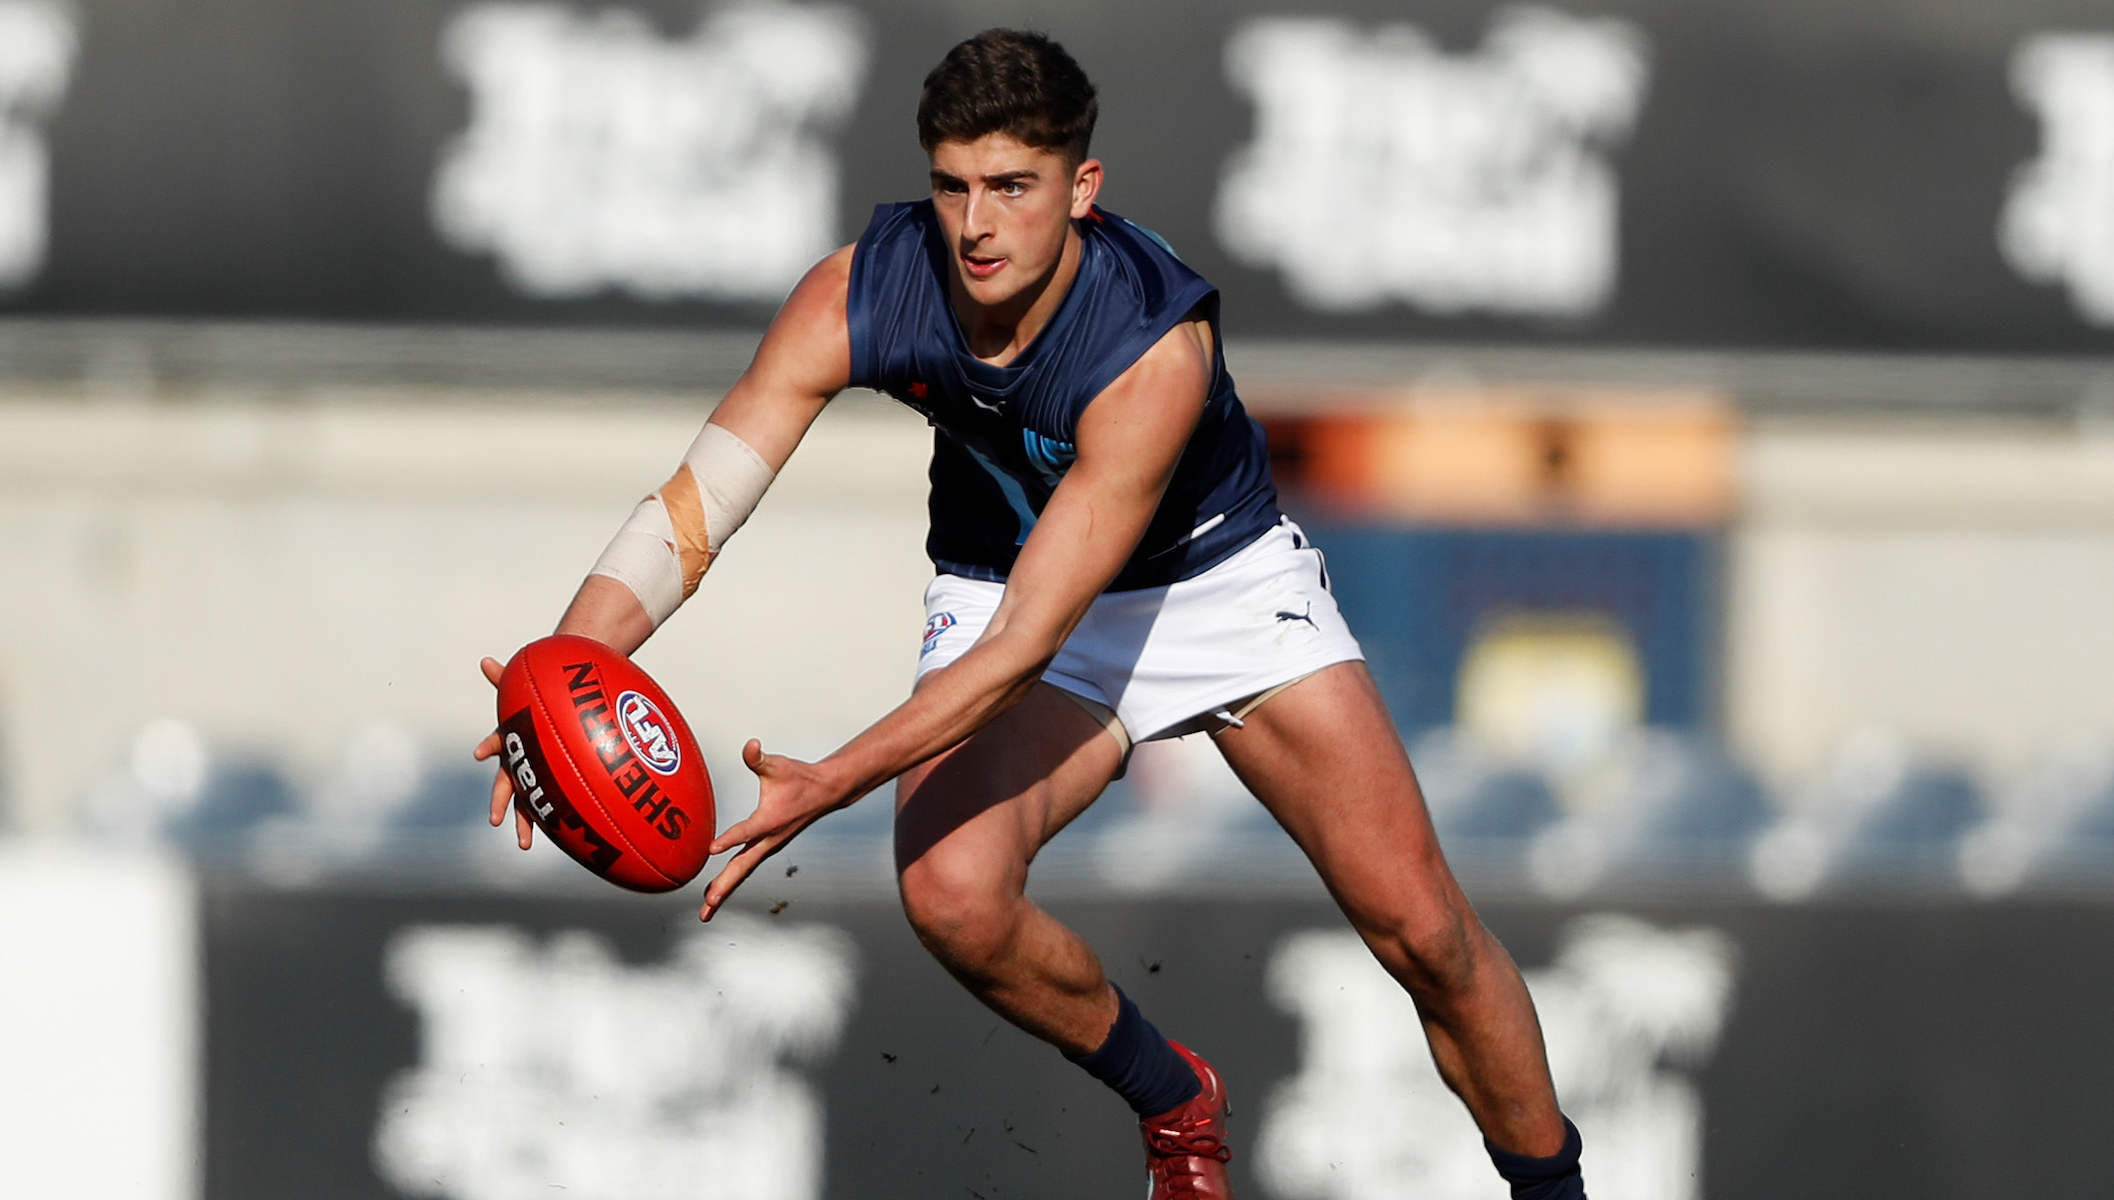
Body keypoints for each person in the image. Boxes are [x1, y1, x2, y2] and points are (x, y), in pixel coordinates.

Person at [476, 29, 1584, 1200]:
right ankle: (1177, 1101)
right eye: (953, 185)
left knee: (1427, 936)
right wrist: (557, 673)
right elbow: (695, 510)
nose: (976, 225)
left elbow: (1024, 653)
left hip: (1212, 584)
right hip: (1004, 573)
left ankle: (1555, 1190)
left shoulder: (1150, 348)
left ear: (1082, 189)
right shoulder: (860, 288)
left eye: (1013, 187)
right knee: (951, 893)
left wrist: (835, 778)